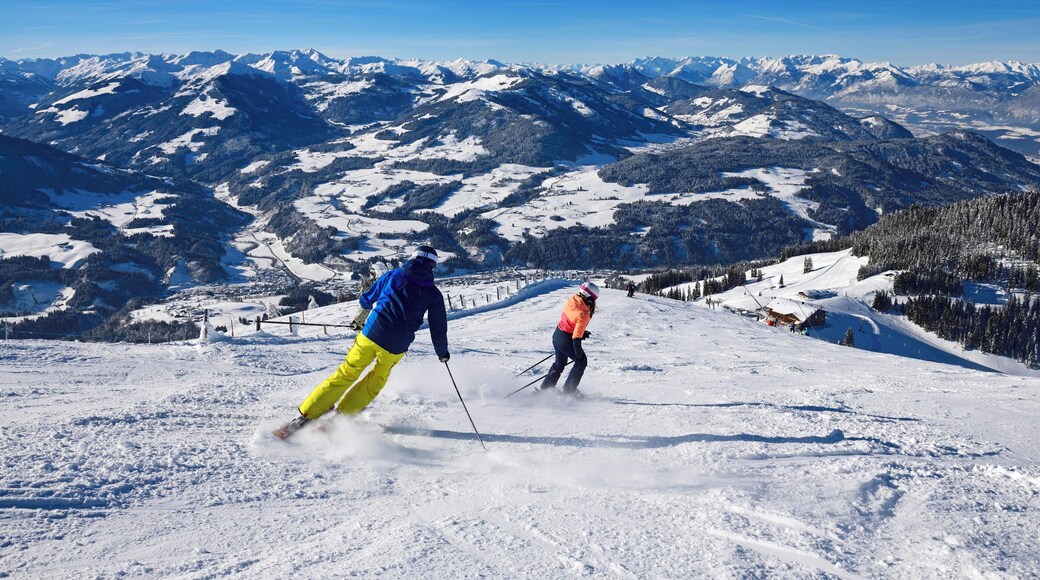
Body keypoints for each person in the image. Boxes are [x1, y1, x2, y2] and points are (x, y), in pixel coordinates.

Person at [275, 246, 449, 438]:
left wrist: (359, 320)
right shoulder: (433, 294)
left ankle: (307, 415)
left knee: (347, 372)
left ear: (412, 258)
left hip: (371, 333)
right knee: (375, 381)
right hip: (396, 345)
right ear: (432, 266)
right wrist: (442, 352)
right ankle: (341, 418)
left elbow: (367, 299)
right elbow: (438, 327)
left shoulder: (393, 275)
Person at [538, 281, 598, 397]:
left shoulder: (573, 301)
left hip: (558, 335)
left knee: (560, 363)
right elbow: (576, 337)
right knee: (581, 361)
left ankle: (546, 388)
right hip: (566, 340)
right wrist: (578, 350)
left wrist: (581, 332)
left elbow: (570, 321)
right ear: (590, 298)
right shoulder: (584, 313)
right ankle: (569, 391)